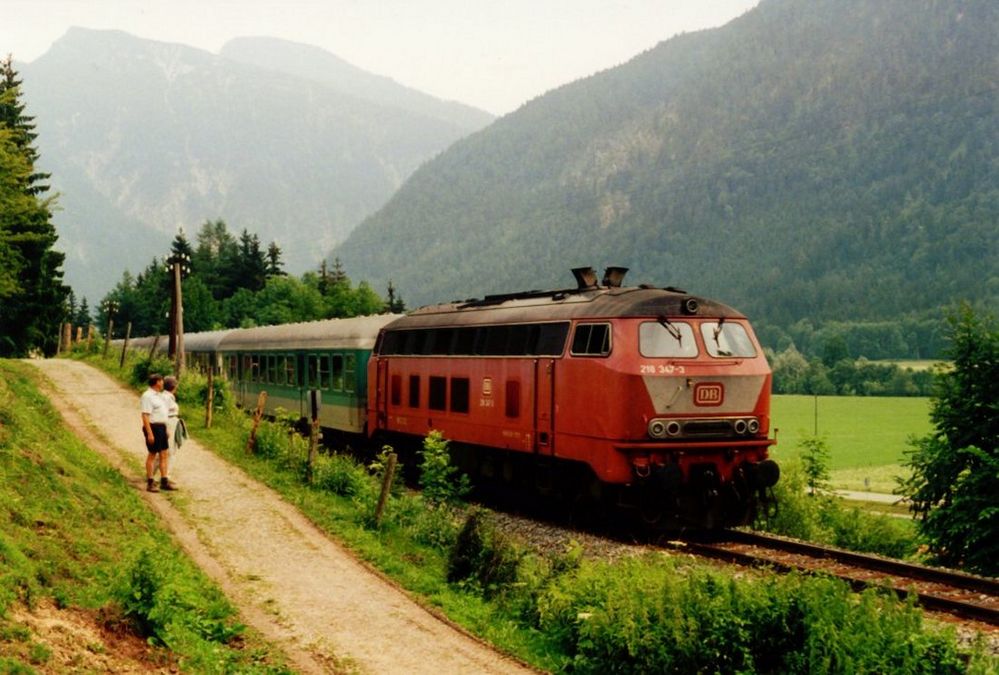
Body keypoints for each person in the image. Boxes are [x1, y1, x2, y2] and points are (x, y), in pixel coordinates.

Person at [140, 373, 176, 492]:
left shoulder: (159, 396)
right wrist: (150, 433)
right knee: (152, 454)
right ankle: (150, 482)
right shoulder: (147, 396)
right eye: (161, 381)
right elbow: (145, 415)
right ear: (156, 382)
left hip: (161, 427)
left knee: (164, 454)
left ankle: (164, 480)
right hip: (153, 426)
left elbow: (163, 413)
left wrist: (166, 428)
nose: (163, 383)